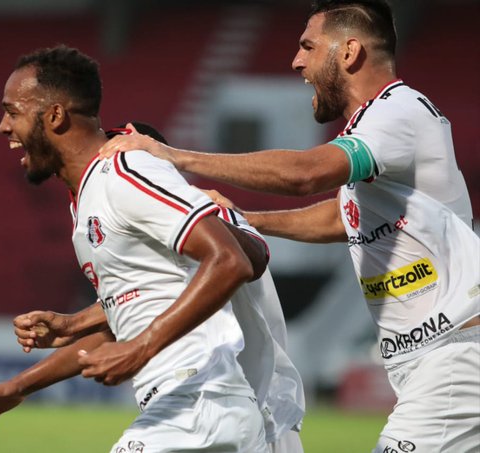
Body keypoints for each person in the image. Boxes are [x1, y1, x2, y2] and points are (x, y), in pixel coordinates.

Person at [98, 1, 480, 451]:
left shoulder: (397, 111)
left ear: (349, 52)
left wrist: (176, 156)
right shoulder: (381, 127)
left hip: (454, 351)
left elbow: (306, 175)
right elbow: (343, 216)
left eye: (308, 46)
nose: (296, 61)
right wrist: (241, 219)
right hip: (434, 356)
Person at [0, 45, 273, 452]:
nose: (2, 126)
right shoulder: (90, 196)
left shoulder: (124, 172)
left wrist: (139, 348)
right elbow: (127, 320)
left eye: (12, 111)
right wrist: (21, 384)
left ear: (54, 115)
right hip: (204, 409)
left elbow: (232, 260)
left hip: (197, 405)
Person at [15, 123, 305, 452]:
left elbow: (246, 259)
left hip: (240, 403)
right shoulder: (173, 240)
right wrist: (26, 378)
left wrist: (135, 346)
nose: (110, 169)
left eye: (121, 154)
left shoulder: (205, 225)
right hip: (236, 411)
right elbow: (126, 314)